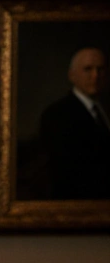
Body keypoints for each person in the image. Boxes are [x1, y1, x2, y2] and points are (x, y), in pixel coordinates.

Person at [39, 46, 110, 199]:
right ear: (72, 75)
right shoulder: (57, 114)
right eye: (88, 69)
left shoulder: (103, 110)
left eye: (100, 69)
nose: (95, 75)